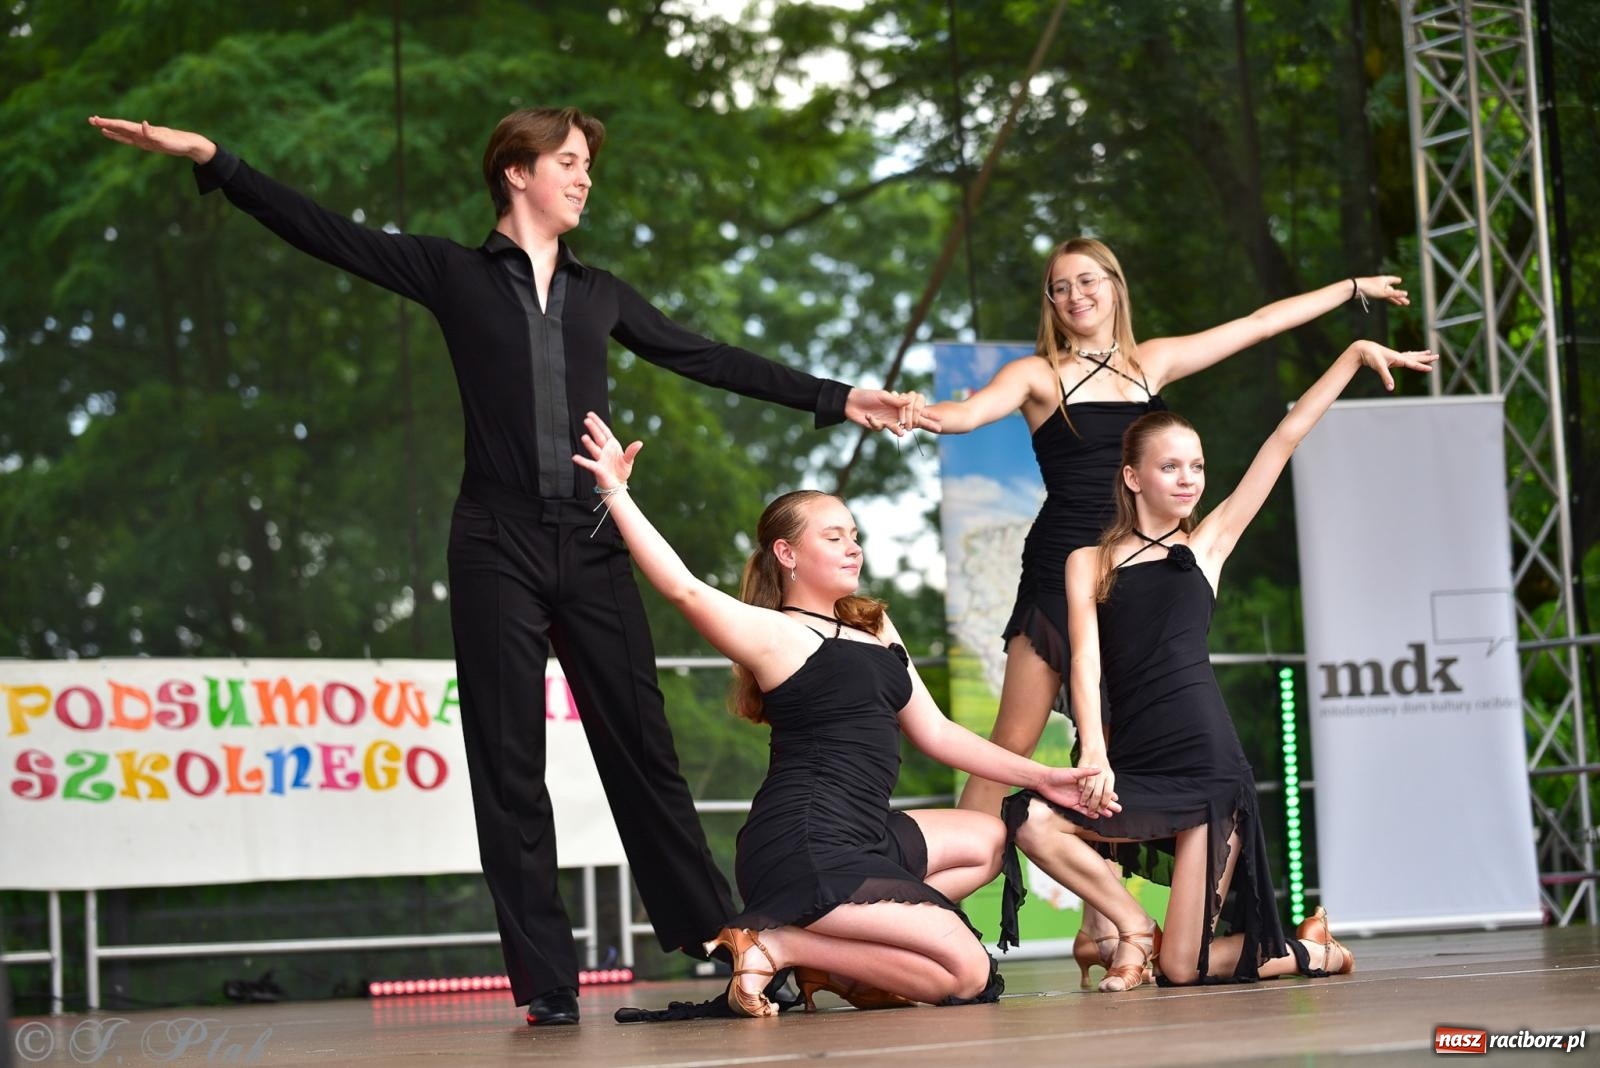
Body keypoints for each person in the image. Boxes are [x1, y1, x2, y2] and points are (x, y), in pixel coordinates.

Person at [88, 109, 934, 1025]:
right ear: (515, 173)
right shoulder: (453, 273)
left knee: (642, 749)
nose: (584, 179)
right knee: (508, 761)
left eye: (586, 166)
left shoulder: (601, 293)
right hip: (495, 543)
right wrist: (216, 159)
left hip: (593, 539)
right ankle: (546, 982)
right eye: (569, 163)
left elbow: (707, 356)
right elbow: (325, 232)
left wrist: (839, 396)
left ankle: (719, 940)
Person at [932, 236, 1407, 978]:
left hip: (1140, 576)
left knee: (1117, 759)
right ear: (1050, 305)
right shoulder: (1038, 374)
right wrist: (920, 414)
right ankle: (939, 909)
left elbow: (1257, 325)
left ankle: (1107, 932)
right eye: (1059, 288)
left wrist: (1350, 289)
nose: (1075, 295)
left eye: (1088, 280)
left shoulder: (1149, 363)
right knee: (1009, 748)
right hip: (1063, 577)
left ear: (1114, 286)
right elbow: (966, 416)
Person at [572, 411, 1117, 1016]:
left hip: (866, 834)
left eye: (854, 533)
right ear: (787, 553)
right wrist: (615, 492)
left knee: (988, 838)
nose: (853, 545)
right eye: (833, 536)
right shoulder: (773, 635)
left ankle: (837, 950)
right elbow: (684, 588)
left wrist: (1043, 776)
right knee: (965, 975)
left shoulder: (873, 624)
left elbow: (935, 732)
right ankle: (778, 942)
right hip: (804, 841)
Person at [1001, 339, 1436, 991]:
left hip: (1208, 773)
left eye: (1196, 467)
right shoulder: (1086, 562)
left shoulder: (1208, 544)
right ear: (1131, 476)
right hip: (1136, 766)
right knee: (1029, 819)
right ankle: (1131, 928)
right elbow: (1084, 661)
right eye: (1170, 466)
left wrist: (1348, 356)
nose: (1188, 479)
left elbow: (1285, 438)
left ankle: (1314, 954)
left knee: (1184, 970)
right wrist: (1093, 747)